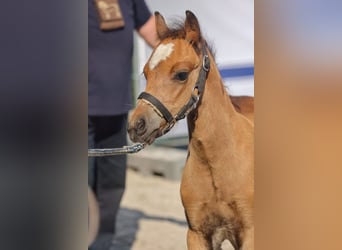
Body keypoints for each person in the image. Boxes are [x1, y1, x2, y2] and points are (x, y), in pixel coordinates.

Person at [88, 0, 158, 249]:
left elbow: (152, 32)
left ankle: (100, 245)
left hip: (116, 108)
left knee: (112, 186)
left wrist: (182, 49)